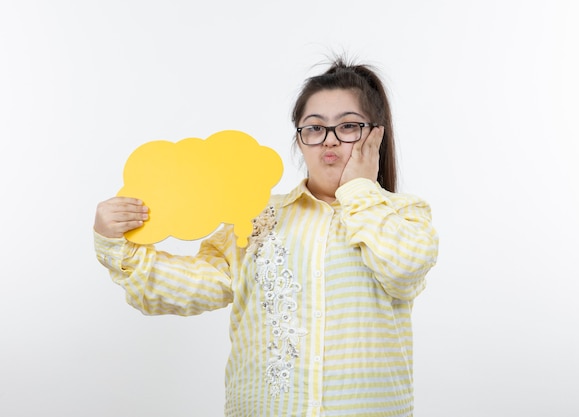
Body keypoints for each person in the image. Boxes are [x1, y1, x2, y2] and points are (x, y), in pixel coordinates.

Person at [93, 56, 439, 417]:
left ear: (375, 135)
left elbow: (403, 269)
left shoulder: (403, 214)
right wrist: (116, 244)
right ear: (300, 139)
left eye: (348, 126)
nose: (329, 141)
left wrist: (359, 190)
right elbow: (190, 287)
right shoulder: (258, 217)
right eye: (315, 128)